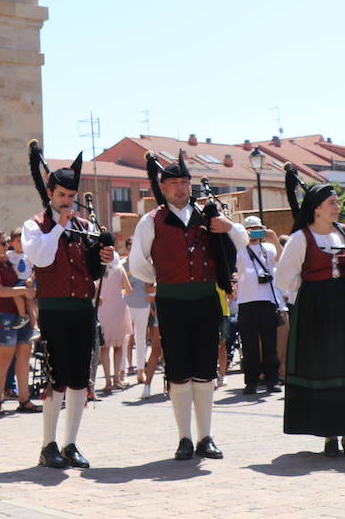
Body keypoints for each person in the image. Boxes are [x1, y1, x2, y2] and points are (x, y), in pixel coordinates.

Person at [126, 152, 246, 460]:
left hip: (206, 300)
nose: (180, 188)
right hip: (171, 302)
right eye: (174, 183)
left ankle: (206, 437)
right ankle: (184, 438)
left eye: (184, 182)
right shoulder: (150, 220)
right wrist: (166, 278)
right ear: (163, 188)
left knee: (204, 369)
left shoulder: (209, 215)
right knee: (178, 370)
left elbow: (243, 241)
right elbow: (138, 264)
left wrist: (228, 227)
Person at [273, 173, 345, 457]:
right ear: (316, 208)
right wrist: (312, 293)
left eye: (336, 202)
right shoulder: (301, 238)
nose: (336, 207)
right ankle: (330, 435)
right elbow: (283, 277)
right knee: (326, 369)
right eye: (330, 202)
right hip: (318, 312)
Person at [21, 152, 111, 469]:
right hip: (54, 309)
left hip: (82, 308)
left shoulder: (85, 225)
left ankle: (71, 443)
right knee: (56, 378)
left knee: (78, 380)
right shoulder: (34, 225)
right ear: (50, 194)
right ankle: (49, 445)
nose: (67, 201)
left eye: (71, 196)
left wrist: (103, 257)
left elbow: (93, 271)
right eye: (62, 195)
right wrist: (59, 227)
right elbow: (41, 259)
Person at [0, 229, 37, 417]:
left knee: (23, 356)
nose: (7, 246)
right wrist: (22, 292)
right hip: (2, 314)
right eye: (3, 243)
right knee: (4, 358)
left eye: (7, 243)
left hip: (21, 316)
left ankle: (24, 399)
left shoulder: (9, 262)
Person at [234, 216, 283, 395]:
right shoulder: (239, 249)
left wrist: (274, 238)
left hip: (267, 300)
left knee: (270, 344)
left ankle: (272, 379)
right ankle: (251, 381)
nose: (254, 232)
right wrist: (241, 237)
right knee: (249, 345)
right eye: (250, 229)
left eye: (257, 228)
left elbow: (281, 260)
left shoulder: (268, 248)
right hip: (246, 302)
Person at [95, 235, 130, 392]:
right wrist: (118, 293)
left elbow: (93, 288)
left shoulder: (97, 266)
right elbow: (128, 289)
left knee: (104, 347)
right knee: (118, 346)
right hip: (118, 307)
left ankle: (107, 381)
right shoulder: (119, 266)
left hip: (102, 307)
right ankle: (117, 378)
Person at [121, 238, 151, 387]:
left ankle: (141, 371)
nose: (132, 249)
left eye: (134, 246)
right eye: (130, 246)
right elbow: (119, 283)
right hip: (126, 304)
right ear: (126, 248)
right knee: (125, 339)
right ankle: (123, 372)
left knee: (141, 339)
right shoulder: (122, 264)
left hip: (143, 304)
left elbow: (151, 282)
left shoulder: (143, 264)